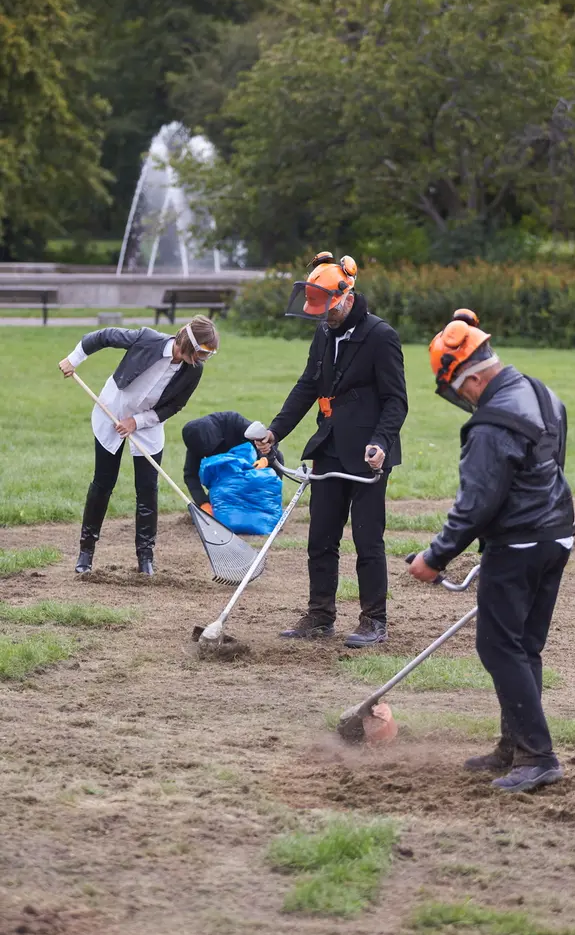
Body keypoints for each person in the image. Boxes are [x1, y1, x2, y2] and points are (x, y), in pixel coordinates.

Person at [408, 309, 574, 793]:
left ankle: (539, 756)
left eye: (462, 390)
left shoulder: (490, 425)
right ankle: (515, 747)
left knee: (498, 646)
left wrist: (434, 557)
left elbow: (477, 505)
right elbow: (552, 466)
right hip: (555, 536)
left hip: (518, 543)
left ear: (473, 376)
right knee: (524, 647)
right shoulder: (544, 395)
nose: (465, 399)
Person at [254, 251, 408, 648]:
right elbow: (309, 385)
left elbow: (396, 401)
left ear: (346, 297)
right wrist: (276, 432)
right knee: (321, 537)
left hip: (368, 454)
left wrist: (381, 443)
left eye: (328, 309)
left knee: (367, 539)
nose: (323, 317)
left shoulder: (381, 336)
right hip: (329, 447)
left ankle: (374, 620)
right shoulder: (323, 332)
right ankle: (320, 616)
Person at [58, 316, 219, 576]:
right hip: (112, 410)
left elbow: (174, 405)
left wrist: (137, 421)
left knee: (147, 489)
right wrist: (74, 359)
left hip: (148, 424)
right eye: (202, 351)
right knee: (103, 482)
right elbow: (103, 336)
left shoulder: (193, 370)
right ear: (189, 343)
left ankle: (145, 558)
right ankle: (86, 553)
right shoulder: (147, 338)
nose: (203, 359)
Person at [182, 412, 283, 515]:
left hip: (253, 469)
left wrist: (264, 459)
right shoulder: (195, 442)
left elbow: (268, 440)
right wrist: (203, 503)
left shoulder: (233, 421)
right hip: (225, 480)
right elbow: (190, 475)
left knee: (277, 457)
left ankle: (268, 505)